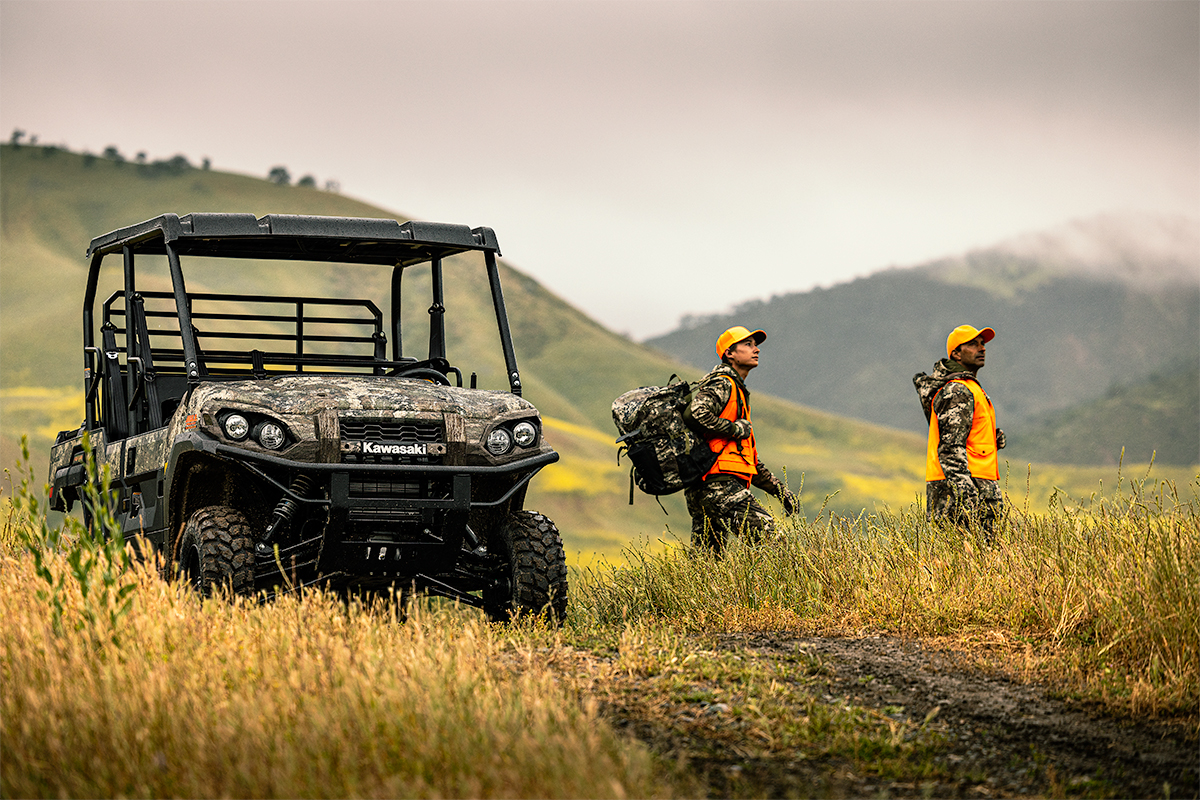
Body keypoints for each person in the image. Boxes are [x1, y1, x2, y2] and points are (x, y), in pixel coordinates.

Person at [683, 325, 797, 553]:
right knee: (776, 545)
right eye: (748, 344)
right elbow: (696, 413)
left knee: (707, 564)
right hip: (718, 485)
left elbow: (747, 460)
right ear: (729, 353)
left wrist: (779, 490)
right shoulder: (723, 383)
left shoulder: (737, 390)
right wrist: (735, 429)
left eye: (756, 345)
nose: (756, 350)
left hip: (705, 487)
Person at [913, 324, 1006, 539]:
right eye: (973, 344)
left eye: (982, 344)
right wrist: (969, 498)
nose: (982, 349)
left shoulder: (970, 387)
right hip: (962, 492)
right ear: (956, 353)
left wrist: (991, 440)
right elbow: (949, 449)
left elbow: (964, 437)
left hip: (976, 486)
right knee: (966, 565)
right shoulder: (958, 390)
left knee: (985, 566)